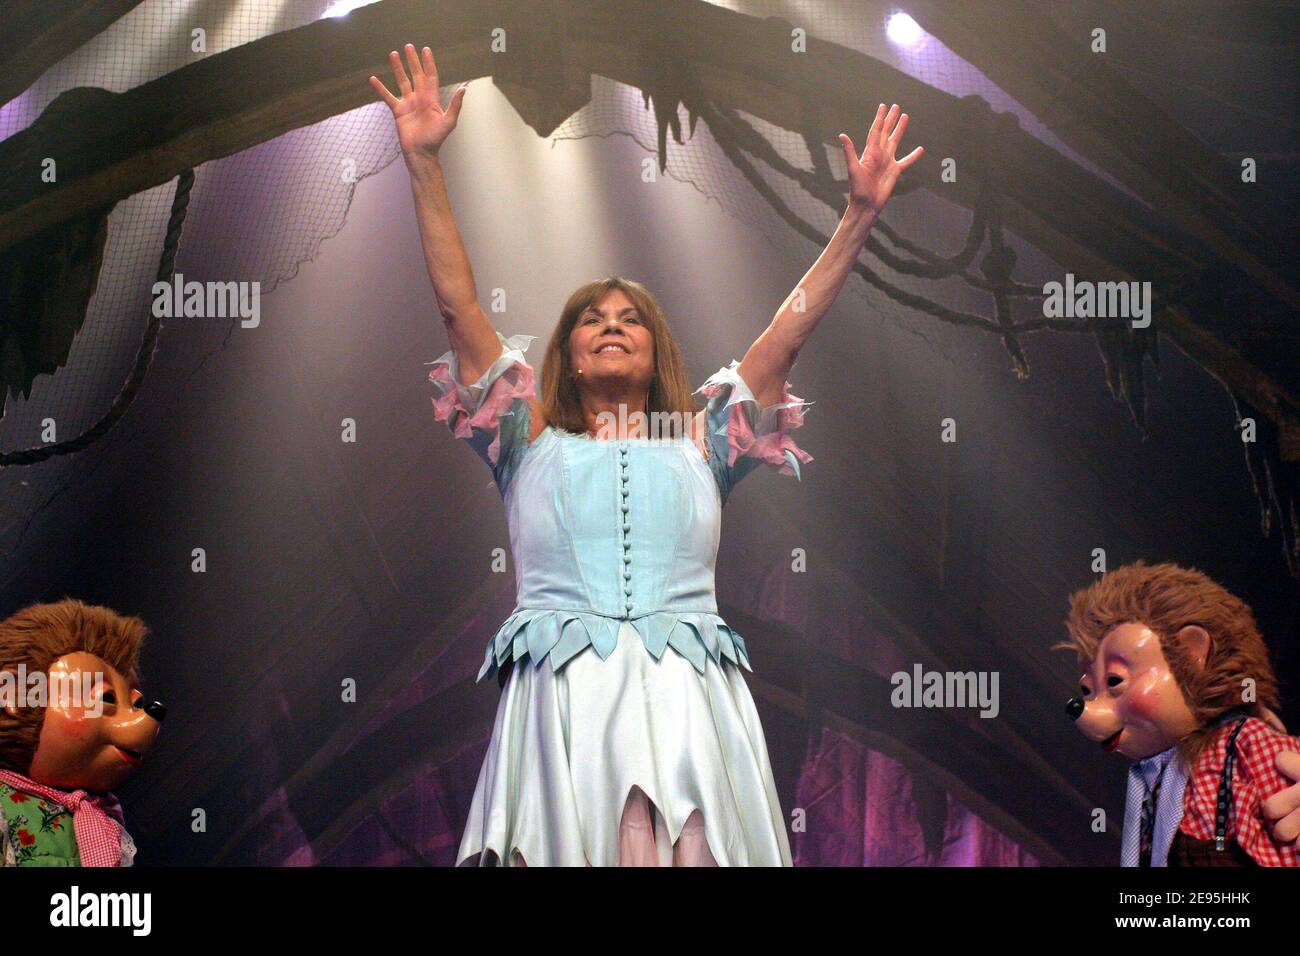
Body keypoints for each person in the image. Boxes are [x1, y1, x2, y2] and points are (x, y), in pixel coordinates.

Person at [370, 43, 922, 866]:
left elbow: (785, 338)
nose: (612, 323)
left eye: (630, 315)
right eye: (592, 317)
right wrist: (422, 162)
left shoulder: (703, 440)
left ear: (656, 345)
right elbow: (457, 311)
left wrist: (859, 216)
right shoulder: (526, 442)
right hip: (562, 706)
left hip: (687, 703)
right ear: (568, 351)